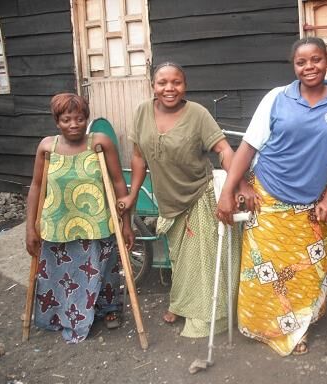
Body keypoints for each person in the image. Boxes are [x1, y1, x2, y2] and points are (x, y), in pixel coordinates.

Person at [215, 37, 327, 355]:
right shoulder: (276, 98)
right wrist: (231, 190)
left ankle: (299, 321)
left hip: (311, 204)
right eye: (301, 62)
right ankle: (273, 328)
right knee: (267, 271)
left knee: (306, 269)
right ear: (294, 66)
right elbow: (248, 148)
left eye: (316, 59)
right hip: (268, 198)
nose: (310, 67)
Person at [117, 62, 243, 337]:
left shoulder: (197, 114)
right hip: (168, 199)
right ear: (153, 85)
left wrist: (234, 187)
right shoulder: (141, 112)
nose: (169, 88)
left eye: (176, 82)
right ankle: (181, 303)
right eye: (163, 82)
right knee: (178, 257)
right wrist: (133, 192)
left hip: (199, 194)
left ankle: (208, 312)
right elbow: (139, 157)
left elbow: (223, 148)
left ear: (184, 86)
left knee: (202, 261)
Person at [26, 93, 134, 343]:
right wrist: (30, 228)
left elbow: (119, 183)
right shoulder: (46, 147)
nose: (73, 124)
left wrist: (126, 223)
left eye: (79, 118)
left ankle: (108, 310)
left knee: (105, 271)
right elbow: (35, 186)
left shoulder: (100, 142)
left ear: (87, 119)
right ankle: (65, 313)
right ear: (57, 122)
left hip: (98, 224)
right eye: (66, 120)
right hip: (58, 224)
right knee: (62, 274)